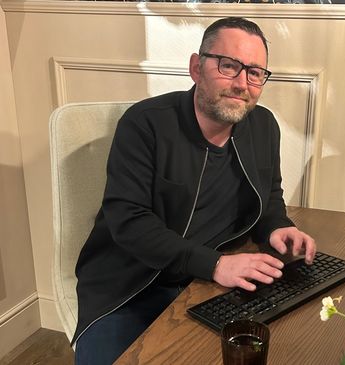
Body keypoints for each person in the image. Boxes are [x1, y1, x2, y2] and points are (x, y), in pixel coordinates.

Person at [73, 17, 316, 364]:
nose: (241, 84)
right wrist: (215, 264)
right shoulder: (145, 124)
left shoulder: (263, 125)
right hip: (132, 285)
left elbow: (269, 197)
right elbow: (129, 222)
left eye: (255, 73)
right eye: (229, 66)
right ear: (196, 67)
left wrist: (280, 226)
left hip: (207, 284)